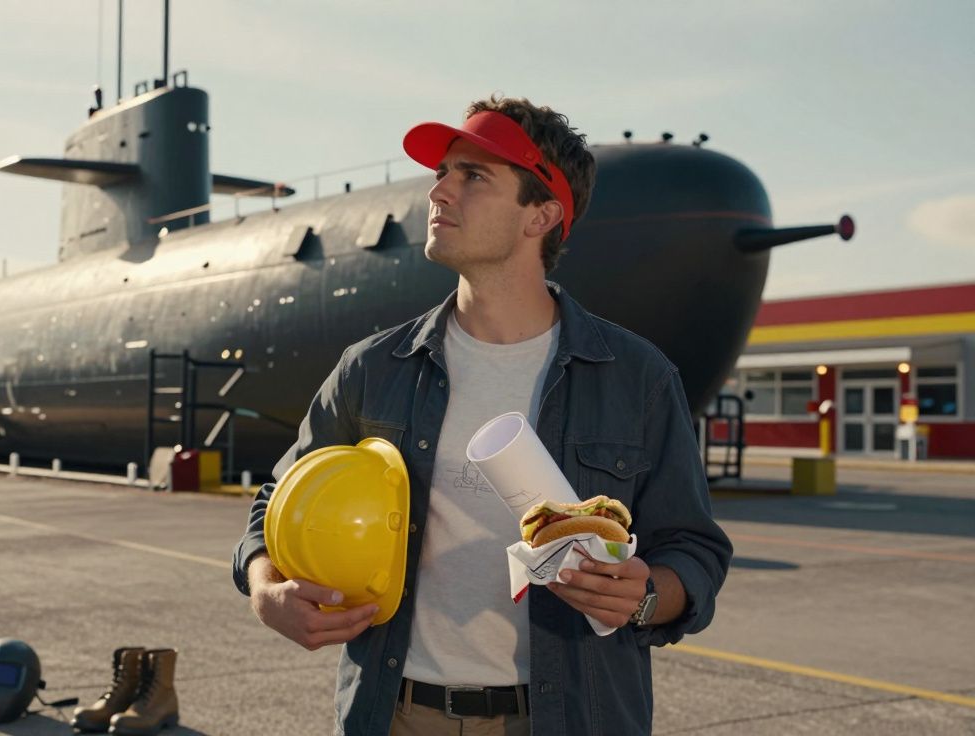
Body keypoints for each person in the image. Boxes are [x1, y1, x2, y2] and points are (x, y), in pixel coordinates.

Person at [232, 95, 732, 736]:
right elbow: (274, 503)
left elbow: (694, 550)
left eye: (473, 176)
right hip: (397, 712)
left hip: (571, 717)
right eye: (443, 172)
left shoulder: (637, 378)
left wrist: (649, 596)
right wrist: (266, 589)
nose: (439, 191)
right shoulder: (373, 368)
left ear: (542, 215)